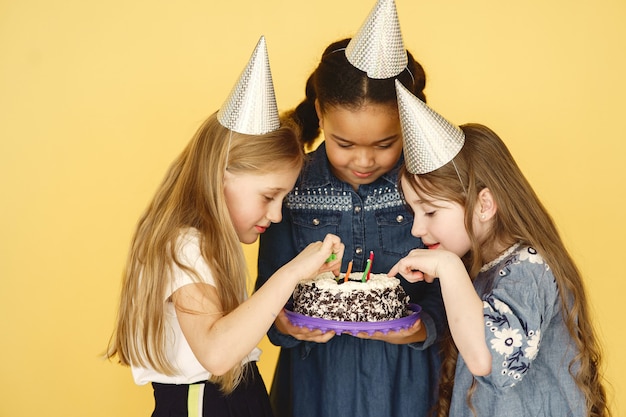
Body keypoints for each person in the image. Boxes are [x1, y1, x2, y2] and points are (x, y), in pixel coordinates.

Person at [106, 36, 344, 417]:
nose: (277, 214)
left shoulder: (202, 244)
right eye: (268, 196)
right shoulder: (185, 245)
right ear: (221, 175)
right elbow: (217, 354)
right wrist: (294, 270)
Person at [255, 2, 446, 416]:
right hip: (315, 381)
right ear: (321, 114)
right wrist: (282, 323)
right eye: (345, 145)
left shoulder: (427, 189)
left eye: (384, 144)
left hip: (406, 379)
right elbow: (269, 286)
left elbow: (456, 283)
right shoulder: (292, 187)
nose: (363, 161)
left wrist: (421, 327)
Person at [389, 81, 611, 417]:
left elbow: (486, 361)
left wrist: (448, 267)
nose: (418, 229)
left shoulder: (530, 269)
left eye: (430, 211)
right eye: (414, 212)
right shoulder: (481, 269)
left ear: (484, 205)